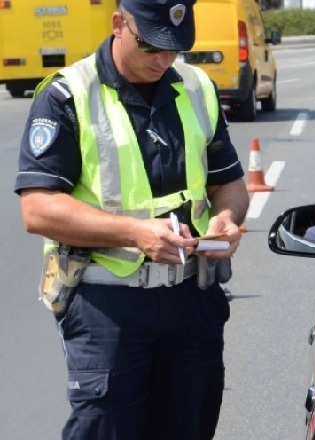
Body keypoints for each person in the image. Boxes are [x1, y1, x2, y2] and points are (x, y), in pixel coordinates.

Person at [14, 0, 249, 439]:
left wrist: (226, 220)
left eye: (174, 47)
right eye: (151, 46)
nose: (163, 59)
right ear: (119, 24)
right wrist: (135, 233)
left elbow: (229, 182)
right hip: (108, 306)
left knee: (191, 425)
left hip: (189, 299)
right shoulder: (68, 94)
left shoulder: (197, 88)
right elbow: (38, 207)